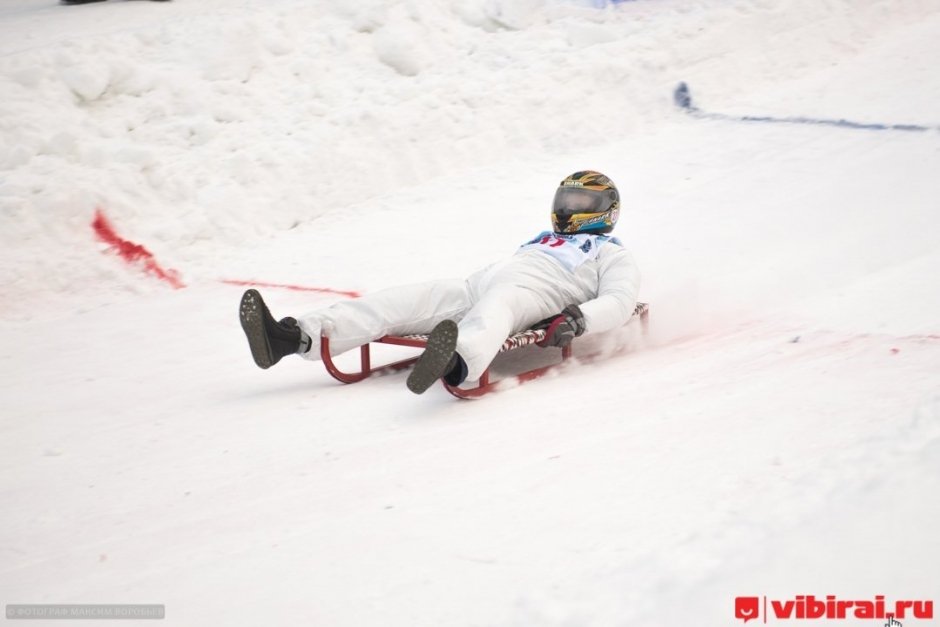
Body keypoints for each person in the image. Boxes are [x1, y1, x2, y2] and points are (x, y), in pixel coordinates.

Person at [239, 170, 641, 394]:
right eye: (566, 202)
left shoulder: (612, 254)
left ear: (606, 211)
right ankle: (293, 337)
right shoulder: (543, 238)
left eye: (581, 205)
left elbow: (621, 300)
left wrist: (579, 320)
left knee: (496, 311)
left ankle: (458, 360)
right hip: (476, 284)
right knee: (401, 300)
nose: (570, 210)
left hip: (532, 294)